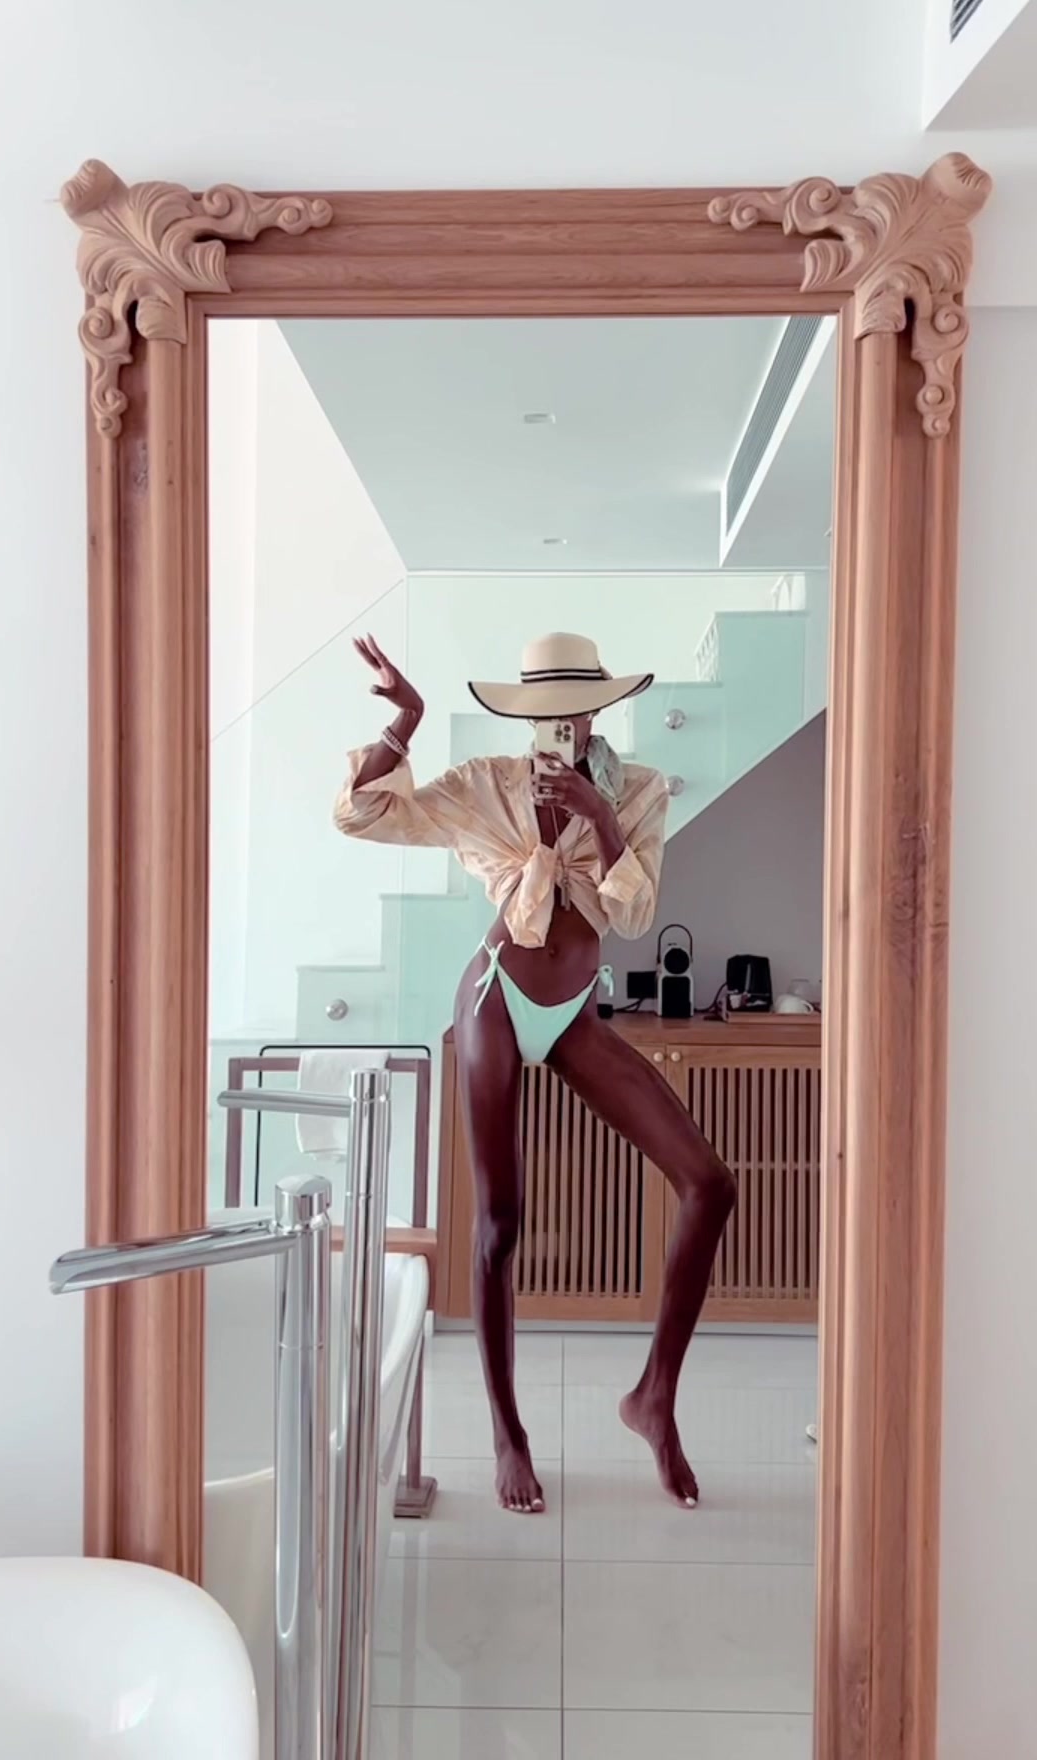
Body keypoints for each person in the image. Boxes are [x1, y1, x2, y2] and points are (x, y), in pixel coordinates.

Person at [334, 631, 736, 1514]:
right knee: (499, 1224)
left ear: (596, 710)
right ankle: (507, 1434)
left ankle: (654, 1399)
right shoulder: (485, 786)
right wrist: (405, 724)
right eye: (547, 712)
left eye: (577, 709)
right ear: (528, 717)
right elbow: (362, 815)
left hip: (574, 1013)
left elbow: (635, 915)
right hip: (494, 996)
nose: (564, 724)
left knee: (710, 1182)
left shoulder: (639, 790)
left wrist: (600, 816)